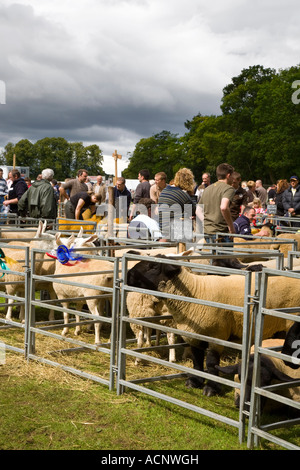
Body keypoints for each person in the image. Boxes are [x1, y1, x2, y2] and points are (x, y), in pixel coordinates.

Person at [199, 163, 235, 242]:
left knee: (212, 254)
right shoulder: (229, 189)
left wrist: (207, 223)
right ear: (228, 175)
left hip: (207, 232)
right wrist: (231, 227)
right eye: (233, 176)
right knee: (224, 254)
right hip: (222, 233)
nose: (233, 178)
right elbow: (224, 207)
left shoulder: (207, 189)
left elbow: (198, 210)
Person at [158, 167, 196, 241]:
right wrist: (192, 194)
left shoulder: (165, 190)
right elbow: (193, 211)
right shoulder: (182, 195)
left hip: (163, 228)